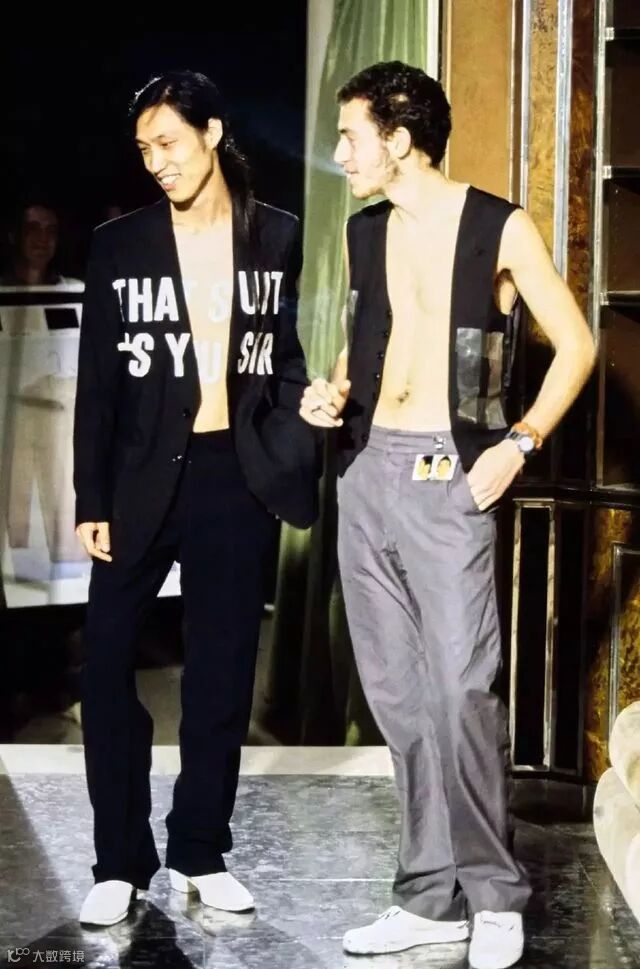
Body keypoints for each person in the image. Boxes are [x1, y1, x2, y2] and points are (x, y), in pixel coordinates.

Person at [300, 61, 596, 969]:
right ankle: (429, 899)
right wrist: (333, 392)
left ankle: (494, 893)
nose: (341, 153)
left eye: (352, 136)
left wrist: (520, 443)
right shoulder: (363, 230)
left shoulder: (497, 224)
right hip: (366, 472)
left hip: (448, 472)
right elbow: (367, 342)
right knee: (397, 697)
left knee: (461, 690)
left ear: (399, 140)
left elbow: (577, 344)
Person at [74, 69, 318, 927]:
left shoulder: (276, 234)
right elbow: (97, 383)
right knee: (106, 661)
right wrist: (91, 495)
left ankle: (200, 849)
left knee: (221, 672)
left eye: (169, 142)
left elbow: (283, 359)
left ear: (212, 132)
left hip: (232, 477)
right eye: (145, 149)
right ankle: (118, 859)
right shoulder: (121, 245)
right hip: (139, 477)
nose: (157, 162)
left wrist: (291, 440)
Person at [0, 200, 81, 286]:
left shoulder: (73, 288)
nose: (43, 238)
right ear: (14, 236)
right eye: (33, 228)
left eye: (51, 231)